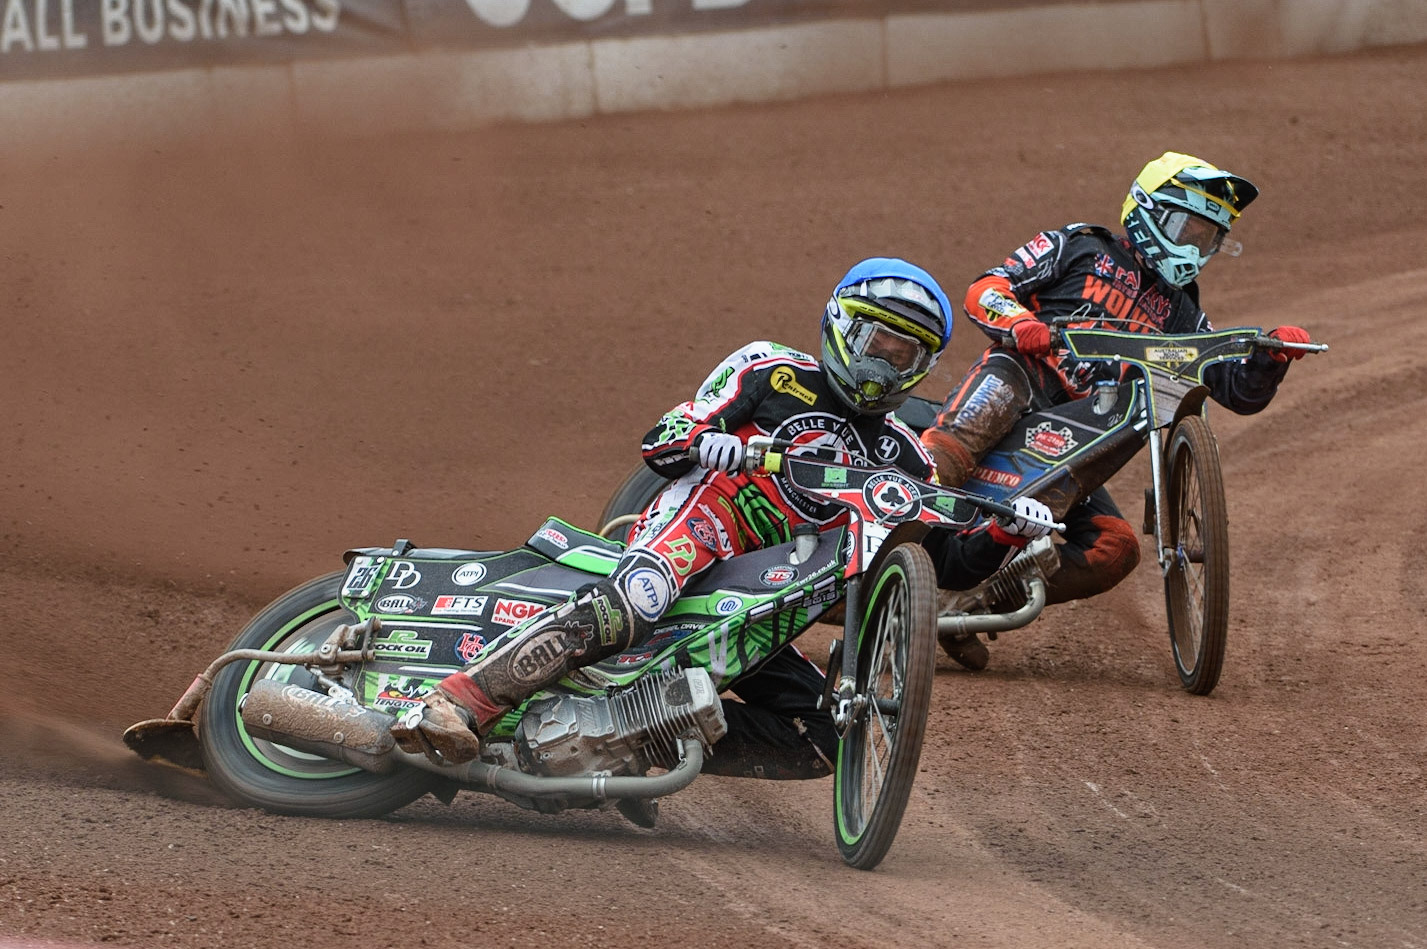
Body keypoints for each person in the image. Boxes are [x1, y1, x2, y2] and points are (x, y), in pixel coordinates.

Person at [392, 257, 1053, 774]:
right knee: (636, 600)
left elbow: (944, 562)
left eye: (904, 355)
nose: (885, 363)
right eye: (879, 341)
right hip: (705, 524)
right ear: (845, 327)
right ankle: (457, 699)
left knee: (821, 738)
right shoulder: (771, 370)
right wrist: (704, 442)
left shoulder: (904, 457)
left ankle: (628, 745)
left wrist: (1005, 531)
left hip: (769, 595)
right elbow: (663, 437)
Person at [920, 152, 1313, 671]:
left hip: (1081, 430)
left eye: (1208, 239)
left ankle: (969, 604)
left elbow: (1233, 388)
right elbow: (986, 288)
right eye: (1188, 229)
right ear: (1149, 213)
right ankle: (869, 562)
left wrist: (1268, 359)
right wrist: (1017, 322)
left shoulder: (1182, 310)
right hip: (1021, 379)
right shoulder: (1081, 245)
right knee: (947, 455)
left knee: (1117, 547)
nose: (1196, 249)